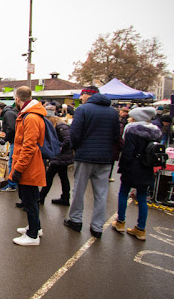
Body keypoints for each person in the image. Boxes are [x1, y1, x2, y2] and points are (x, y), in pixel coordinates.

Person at [64, 86, 121, 239]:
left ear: (87, 95)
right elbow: (116, 135)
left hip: (85, 156)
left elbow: (75, 133)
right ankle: (97, 227)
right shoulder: (112, 112)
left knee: (79, 190)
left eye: (82, 96)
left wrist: (75, 148)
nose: (80, 99)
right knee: (101, 193)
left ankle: (75, 220)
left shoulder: (83, 110)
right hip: (105, 158)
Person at [112, 107, 162, 241]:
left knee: (123, 192)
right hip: (147, 167)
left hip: (132, 165)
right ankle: (141, 229)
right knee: (142, 197)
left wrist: (123, 167)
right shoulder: (156, 132)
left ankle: (120, 222)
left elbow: (128, 152)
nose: (128, 119)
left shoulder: (132, 130)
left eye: (131, 117)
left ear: (136, 118)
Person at [9, 86, 46, 246]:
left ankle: (32, 236)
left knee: (29, 201)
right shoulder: (31, 115)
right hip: (28, 165)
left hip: (28, 166)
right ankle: (35, 227)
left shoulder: (30, 117)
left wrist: (18, 168)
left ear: (18, 99)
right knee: (30, 199)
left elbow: (28, 146)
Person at [41, 115, 73, 205]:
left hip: (60, 157)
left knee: (49, 177)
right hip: (63, 157)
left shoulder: (60, 127)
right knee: (63, 177)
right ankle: (65, 198)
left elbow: (67, 140)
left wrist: (57, 148)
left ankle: (41, 197)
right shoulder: (61, 126)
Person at [0, 101, 19, 192]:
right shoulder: (11, 112)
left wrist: (5, 139)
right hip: (15, 140)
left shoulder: (7, 114)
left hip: (14, 141)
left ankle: (12, 185)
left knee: (11, 162)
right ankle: (13, 183)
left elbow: (11, 128)